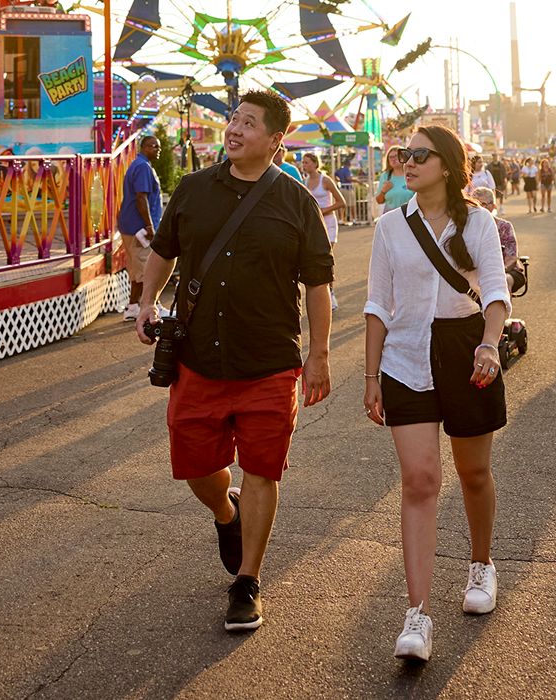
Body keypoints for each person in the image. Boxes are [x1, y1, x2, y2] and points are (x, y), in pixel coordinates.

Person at [135, 90, 334, 633]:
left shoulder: (296, 202)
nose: (235, 129)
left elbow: (318, 283)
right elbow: (164, 250)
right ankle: (228, 513)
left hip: (270, 360)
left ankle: (247, 581)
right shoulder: (195, 189)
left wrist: (319, 355)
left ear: (275, 139)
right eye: (233, 119)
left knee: (263, 470)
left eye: (248, 123)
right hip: (198, 358)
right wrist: (148, 300)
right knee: (197, 466)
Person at [363, 125, 510, 663]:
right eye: (403, 154)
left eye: (418, 154)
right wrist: (371, 375)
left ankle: (481, 565)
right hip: (404, 356)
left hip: (466, 349)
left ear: (446, 164)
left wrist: (490, 345)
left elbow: (495, 292)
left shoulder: (479, 223)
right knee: (420, 480)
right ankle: (417, 614)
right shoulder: (388, 228)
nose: (406, 161)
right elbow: (378, 304)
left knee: (472, 473)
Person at [118, 134, 163, 322]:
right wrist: (150, 225)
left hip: (132, 225)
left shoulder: (139, 164)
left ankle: (133, 307)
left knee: (137, 268)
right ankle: (152, 306)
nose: (158, 150)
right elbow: (141, 198)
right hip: (139, 227)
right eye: (155, 146)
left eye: (159, 147)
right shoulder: (143, 167)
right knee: (147, 268)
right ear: (144, 147)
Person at [302, 152, 346, 310]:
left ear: (315, 163)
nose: (304, 165)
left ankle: (331, 294)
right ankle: (323, 293)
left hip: (328, 223)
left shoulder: (325, 180)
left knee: (326, 258)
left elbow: (341, 202)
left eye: (306, 162)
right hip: (314, 225)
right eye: (303, 162)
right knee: (316, 260)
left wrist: (323, 210)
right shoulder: (305, 181)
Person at [473, 187, 525, 293]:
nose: (479, 208)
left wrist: (496, 273)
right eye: (475, 204)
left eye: (483, 204)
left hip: (506, 270)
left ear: (493, 207)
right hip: (476, 272)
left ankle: (503, 310)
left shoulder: (504, 227)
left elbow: (511, 259)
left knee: (502, 281)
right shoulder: (465, 227)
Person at [376, 146, 414, 214]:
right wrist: (383, 191)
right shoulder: (386, 176)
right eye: (390, 157)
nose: (393, 159)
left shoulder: (411, 174)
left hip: (408, 215)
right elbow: (379, 201)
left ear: (403, 157)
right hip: (390, 217)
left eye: (396, 156)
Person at [334, 159, 357, 224]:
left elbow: (334, 174)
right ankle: (353, 219)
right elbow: (348, 178)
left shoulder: (340, 169)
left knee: (341, 205)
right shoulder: (347, 170)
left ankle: (340, 219)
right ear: (349, 164)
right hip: (347, 188)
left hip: (341, 188)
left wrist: (338, 180)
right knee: (352, 204)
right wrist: (357, 181)